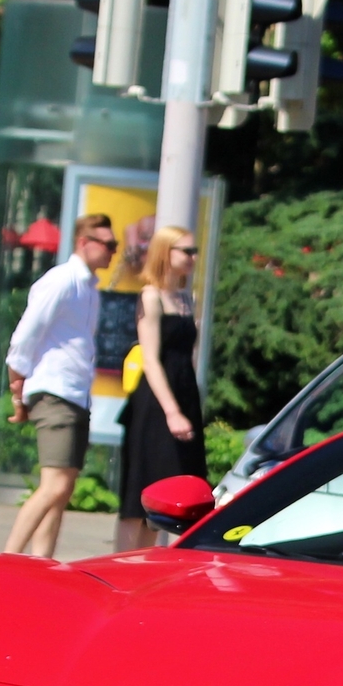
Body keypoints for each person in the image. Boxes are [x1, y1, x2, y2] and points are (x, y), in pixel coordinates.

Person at [3, 213, 118, 556]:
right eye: (108, 244)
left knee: (62, 487)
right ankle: (7, 557)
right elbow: (27, 332)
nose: (113, 251)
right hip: (56, 390)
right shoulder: (63, 280)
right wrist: (17, 383)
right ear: (84, 243)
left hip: (74, 394)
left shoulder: (89, 288)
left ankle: (41, 561)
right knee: (54, 485)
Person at [116, 226, 206, 551]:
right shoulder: (150, 296)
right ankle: (123, 565)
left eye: (194, 251)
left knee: (173, 492)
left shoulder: (186, 298)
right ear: (165, 252)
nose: (192, 257)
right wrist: (172, 411)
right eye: (186, 250)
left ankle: (147, 564)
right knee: (143, 491)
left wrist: (188, 407)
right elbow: (151, 360)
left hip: (184, 396)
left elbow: (188, 357)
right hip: (155, 405)